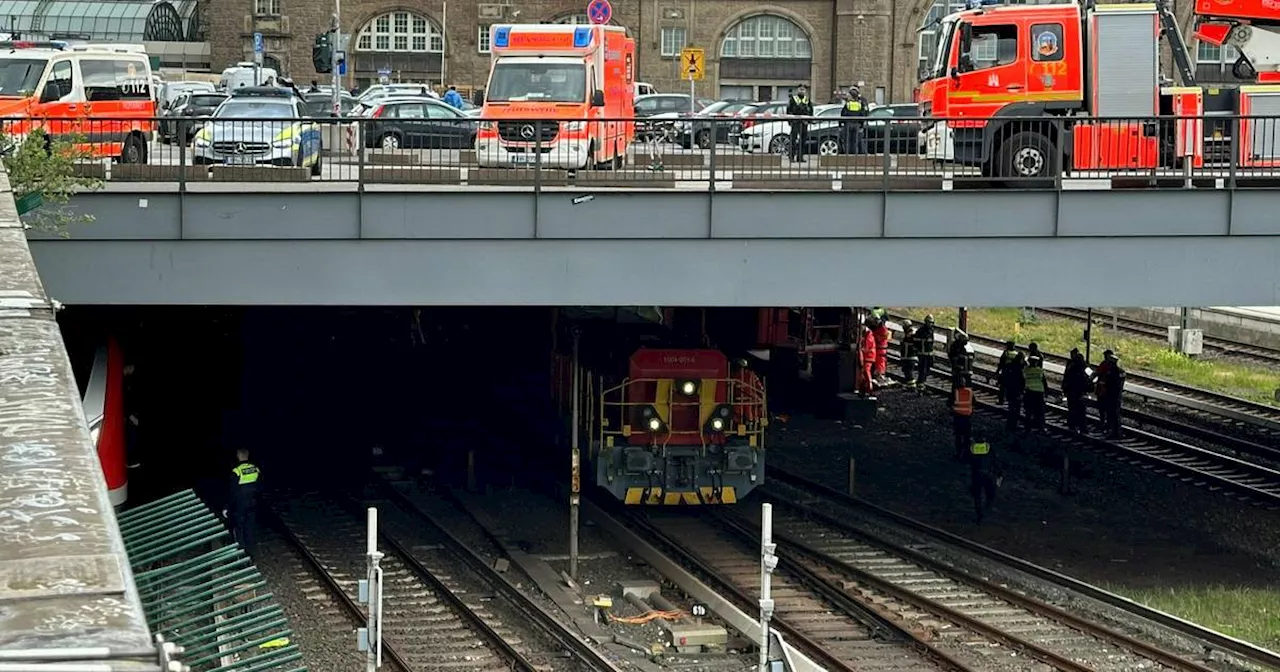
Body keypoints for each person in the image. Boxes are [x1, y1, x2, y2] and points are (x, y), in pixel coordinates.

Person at [227, 449, 260, 555]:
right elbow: (260, 486)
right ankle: (251, 554)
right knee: (249, 528)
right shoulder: (255, 469)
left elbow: (232, 491)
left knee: (239, 529)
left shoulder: (236, 471)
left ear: (238, 456)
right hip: (253, 503)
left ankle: (241, 555)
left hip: (240, 505)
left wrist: (227, 506)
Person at [1094, 350, 1126, 437]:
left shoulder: (1110, 372)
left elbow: (1106, 382)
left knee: (1109, 413)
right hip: (1116, 396)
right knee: (1115, 415)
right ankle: (1115, 431)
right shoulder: (1120, 371)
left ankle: (1111, 430)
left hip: (1108, 396)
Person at [969, 434, 999, 524]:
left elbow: (969, 460)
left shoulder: (973, 448)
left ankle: (979, 514)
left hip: (977, 475)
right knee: (990, 494)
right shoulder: (988, 447)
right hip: (988, 475)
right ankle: (987, 509)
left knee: (977, 496)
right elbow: (995, 461)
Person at [1062, 348, 1089, 433]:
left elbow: (1066, 377)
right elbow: (1091, 376)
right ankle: (1082, 427)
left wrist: (1064, 388)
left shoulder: (1071, 367)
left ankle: (1072, 425)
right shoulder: (1084, 367)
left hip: (1072, 391)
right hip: (1080, 392)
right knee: (1081, 410)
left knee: (1072, 408)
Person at [785, 84, 813, 162]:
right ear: (797, 90)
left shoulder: (807, 100)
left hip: (804, 123)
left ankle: (800, 157)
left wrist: (809, 120)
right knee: (793, 140)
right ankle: (791, 157)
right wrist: (790, 121)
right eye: (800, 89)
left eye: (803, 90)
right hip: (795, 122)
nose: (802, 91)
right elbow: (789, 110)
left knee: (803, 141)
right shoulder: (793, 99)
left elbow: (811, 110)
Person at [840, 85, 868, 154]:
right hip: (857, 124)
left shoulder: (848, 104)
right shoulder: (859, 104)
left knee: (847, 141)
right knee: (855, 142)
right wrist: (861, 124)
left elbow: (843, 114)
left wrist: (840, 124)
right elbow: (863, 114)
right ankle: (855, 157)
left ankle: (847, 156)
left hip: (848, 124)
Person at [1003, 352, 1026, 431]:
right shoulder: (1020, 369)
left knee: (1011, 407)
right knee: (1016, 408)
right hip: (1016, 391)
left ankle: (1010, 424)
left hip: (1009, 389)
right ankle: (1014, 424)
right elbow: (1022, 380)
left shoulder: (1009, 366)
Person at [1023, 355, 1047, 431]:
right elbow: (1044, 382)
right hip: (1039, 392)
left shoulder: (1025, 370)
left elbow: (1022, 380)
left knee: (1029, 410)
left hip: (1029, 391)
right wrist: (1046, 391)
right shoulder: (1040, 370)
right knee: (1040, 411)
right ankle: (1041, 426)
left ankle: (1028, 426)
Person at [913, 315, 936, 390]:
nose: (930, 324)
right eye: (929, 322)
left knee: (927, 370)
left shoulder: (931, 331)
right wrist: (917, 352)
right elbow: (915, 342)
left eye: (931, 323)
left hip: (929, 354)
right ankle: (920, 385)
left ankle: (922, 384)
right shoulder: (921, 331)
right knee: (922, 370)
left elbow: (931, 344)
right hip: (922, 354)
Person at [952, 384, 973, 460]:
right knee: (967, 436)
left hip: (958, 417)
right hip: (967, 417)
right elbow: (974, 402)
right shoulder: (969, 391)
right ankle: (966, 454)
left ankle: (959, 453)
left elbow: (950, 403)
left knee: (958, 437)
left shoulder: (956, 392)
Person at [857, 324, 877, 398]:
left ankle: (869, 389)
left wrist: (860, 349)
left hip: (868, 358)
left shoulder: (869, 337)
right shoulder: (868, 336)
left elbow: (866, 348)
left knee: (866, 373)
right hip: (868, 357)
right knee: (864, 374)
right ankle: (864, 390)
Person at [872, 317, 890, 385]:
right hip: (879, 348)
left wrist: (874, 335)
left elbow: (880, 338)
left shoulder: (882, 329)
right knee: (879, 362)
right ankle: (878, 374)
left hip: (881, 348)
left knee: (880, 362)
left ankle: (879, 375)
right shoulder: (880, 328)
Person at [900, 320, 918, 388]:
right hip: (907, 356)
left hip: (910, 356)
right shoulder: (908, 334)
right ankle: (909, 385)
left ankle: (912, 386)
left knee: (909, 372)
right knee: (907, 371)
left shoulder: (911, 334)